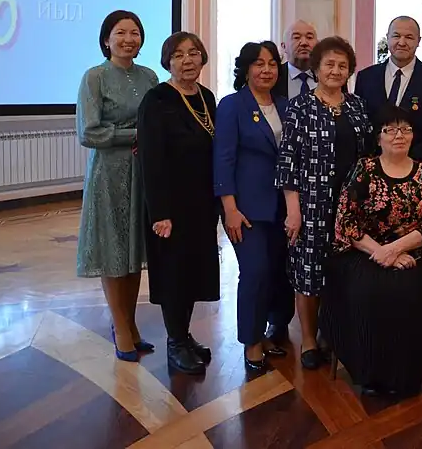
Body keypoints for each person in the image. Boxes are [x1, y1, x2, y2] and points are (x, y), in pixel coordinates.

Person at [324, 105, 422, 397]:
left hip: (410, 252)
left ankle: (407, 376)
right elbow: (346, 221)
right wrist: (381, 251)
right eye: (390, 130)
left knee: (409, 292)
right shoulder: (364, 169)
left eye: (405, 129)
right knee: (367, 292)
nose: (399, 135)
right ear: (378, 137)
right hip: (364, 251)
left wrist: (395, 249)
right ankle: (369, 373)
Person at [277, 36, 372, 370]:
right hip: (312, 204)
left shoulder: (358, 106)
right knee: (309, 271)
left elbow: (369, 156)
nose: (336, 70)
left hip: (351, 206)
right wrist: (293, 210)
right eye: (329, 64)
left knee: (343, 271)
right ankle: (308, 338)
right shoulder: (299, 107)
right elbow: (287, 161)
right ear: (316, 68)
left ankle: (333, 333)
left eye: (342, 65)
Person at [76, 10, 158, 361]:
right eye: (120, 32)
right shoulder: (94, 77)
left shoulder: (150, 76)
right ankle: (120, 327)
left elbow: (159, 121)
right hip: (108, 174)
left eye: (134, 32)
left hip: (144, 171)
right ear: (106, 40)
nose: (128, 39)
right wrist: (136, 135)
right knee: (113, 248)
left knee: (134, 249)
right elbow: (89, 132)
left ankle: (131, 323)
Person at [137, 32, 220, 375]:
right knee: (173, 275)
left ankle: (184, 337)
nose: (187, 60)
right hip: (170, 207)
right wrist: (160, 213)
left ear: (203, 58)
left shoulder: (207, 97)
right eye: (179, 55)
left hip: (201, 205)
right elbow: (151, 160)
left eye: (194, 53)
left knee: (192, 273)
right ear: (167, 62)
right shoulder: (156, 99)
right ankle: (174, 343)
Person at [213, 40, 294, 373]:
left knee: (277, 271)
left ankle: (272, 328)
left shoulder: (286, 106)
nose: (266, 70)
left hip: (282, 206)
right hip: (246, 208)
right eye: (259, 63)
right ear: (246, 69)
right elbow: (223, 158)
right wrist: (229, 208)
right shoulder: (233, 105)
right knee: (255, 271)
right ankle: (251, 340)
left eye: (272, 63)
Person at [353, 16, 422, 163]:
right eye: (396, 36)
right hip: (373, 165)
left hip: (418, 165)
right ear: (387, 38)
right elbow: (360, 122)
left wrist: (411, 160)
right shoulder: (366, 77)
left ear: (418, 41)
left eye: (409, 37)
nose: (402, 42)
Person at [273, 20, 318, 100]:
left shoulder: (328, 76)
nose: (304, 43)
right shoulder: (274, 76)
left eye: (309, 37)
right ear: (284, 46)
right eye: (296, 37)